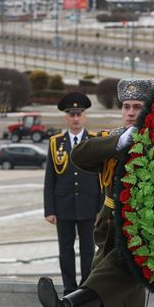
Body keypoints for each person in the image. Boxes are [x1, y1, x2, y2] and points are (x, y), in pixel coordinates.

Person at [37, 78, 154, 307]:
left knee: (102, 286)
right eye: (127, 107)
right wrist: (119, 143)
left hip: (141, 240)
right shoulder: (113, 140)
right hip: (109, 238)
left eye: (138, 108)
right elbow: (80, 157)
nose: (131, 113)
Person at [44, 91, 101, 295]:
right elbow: (50, 178)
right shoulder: (55, 142)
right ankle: (69, 289)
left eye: (79, 114)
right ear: (66, 117)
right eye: (71, 115)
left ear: (85, 116)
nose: (76, 119)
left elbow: (102, 178)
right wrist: (49, 210)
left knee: (88, 250)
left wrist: (100, 208)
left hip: (89, 205)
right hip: (63, 206)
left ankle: (86, 288)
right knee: (65, 250)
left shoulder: (94, 141)